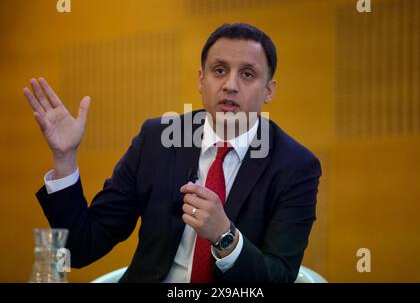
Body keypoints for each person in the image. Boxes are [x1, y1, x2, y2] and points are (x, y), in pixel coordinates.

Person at [23, 23, 322, 283]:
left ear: (269, 90)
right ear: (201, 80)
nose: (230, 85)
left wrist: (225, 236)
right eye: (219, 71)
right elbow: (81, 247)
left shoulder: (295, 166)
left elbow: (279, 274)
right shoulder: (157, 141)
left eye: (247, 74)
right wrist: (65, 158)